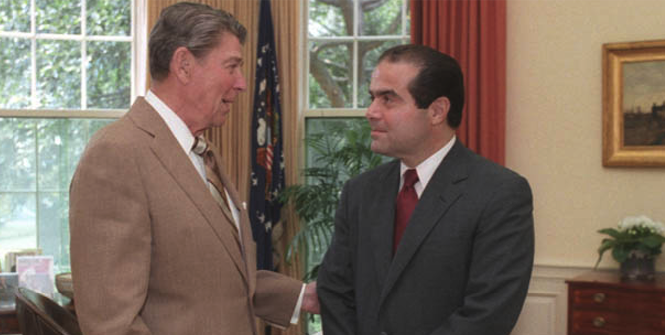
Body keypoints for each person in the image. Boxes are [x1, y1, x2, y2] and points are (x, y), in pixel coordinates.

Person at [69, 3, 317, 335]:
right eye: (231, 66)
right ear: (184, 65)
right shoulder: (116, 154)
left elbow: (214, 274)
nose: (242, 83)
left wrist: (305, 296)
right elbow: (112, 322)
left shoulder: (202, 151)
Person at [316, 44, 534, 335]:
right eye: (372, 98)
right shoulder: (360, 192)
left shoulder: (500, 194)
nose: (370, 112)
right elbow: (335, 291)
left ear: (437, 111)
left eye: (388, 99)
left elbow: (487, 315)